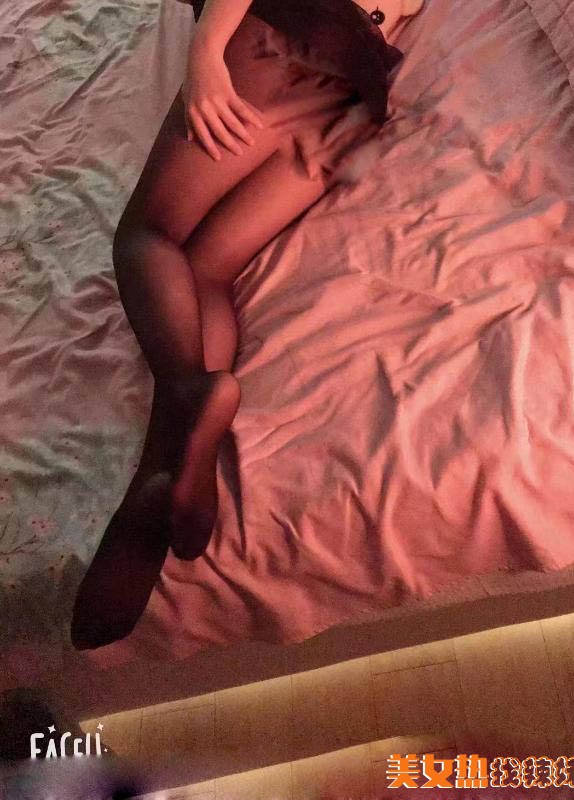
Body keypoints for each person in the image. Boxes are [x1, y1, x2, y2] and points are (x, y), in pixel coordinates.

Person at [70, 0, 416, 650]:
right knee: (205, 271)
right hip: (356, 94)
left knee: (147, 237)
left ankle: (188, 392)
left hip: (292, 31)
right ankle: (164, 476)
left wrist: (205, 50)